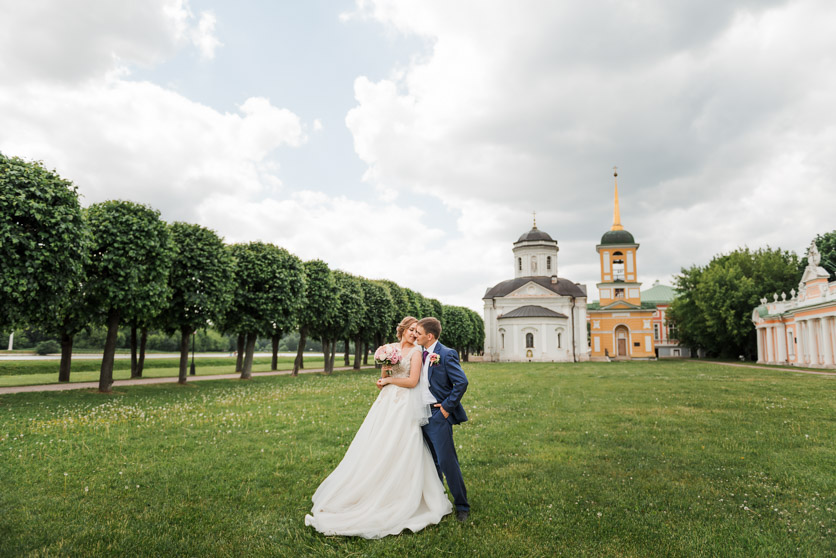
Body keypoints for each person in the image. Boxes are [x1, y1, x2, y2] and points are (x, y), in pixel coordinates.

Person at [304, 316, 452, 538]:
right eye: (410, 329)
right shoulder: (389, 349)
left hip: (405, 403)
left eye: (416, 331)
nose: (413, 334)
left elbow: (412, 382)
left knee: (403, 442)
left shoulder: (416, 354)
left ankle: (401, 493)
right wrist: (385, 375)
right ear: (402, 330)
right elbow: (384, 376)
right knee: (377, 441)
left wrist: (390, 381)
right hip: (386, 402)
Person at [414, 316, 470, 522]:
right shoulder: (418, 353)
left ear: (430, 336)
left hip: (438, 415)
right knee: (431, 462)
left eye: (418, 333)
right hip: (419, 414)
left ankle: (462, 505)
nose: (415, 336)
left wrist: (447, 408)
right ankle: (438, 500)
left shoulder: (445, 354)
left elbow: (461, 382)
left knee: (447, 462)